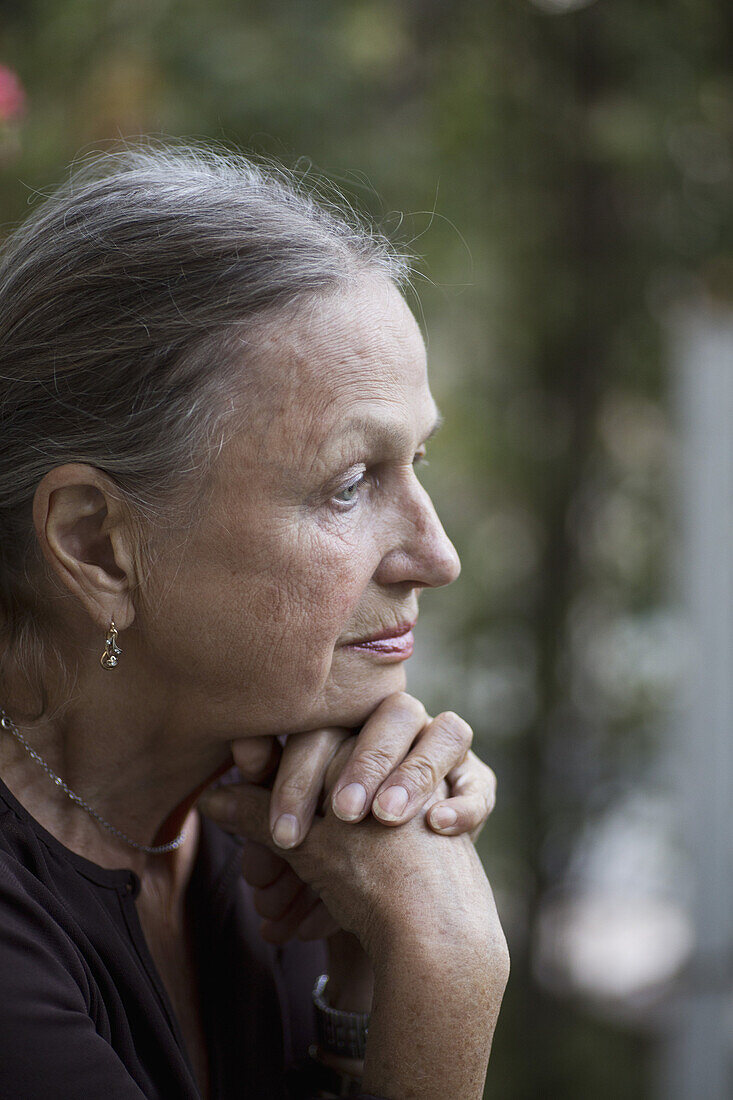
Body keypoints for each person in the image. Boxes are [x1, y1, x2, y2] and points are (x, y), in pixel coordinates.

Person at [0, 145, 509, 1100]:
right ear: (97, 545)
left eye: (417, 465)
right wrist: (447, 962)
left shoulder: (269, 822)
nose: (437, 558)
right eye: (351, 484)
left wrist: (365, 967)